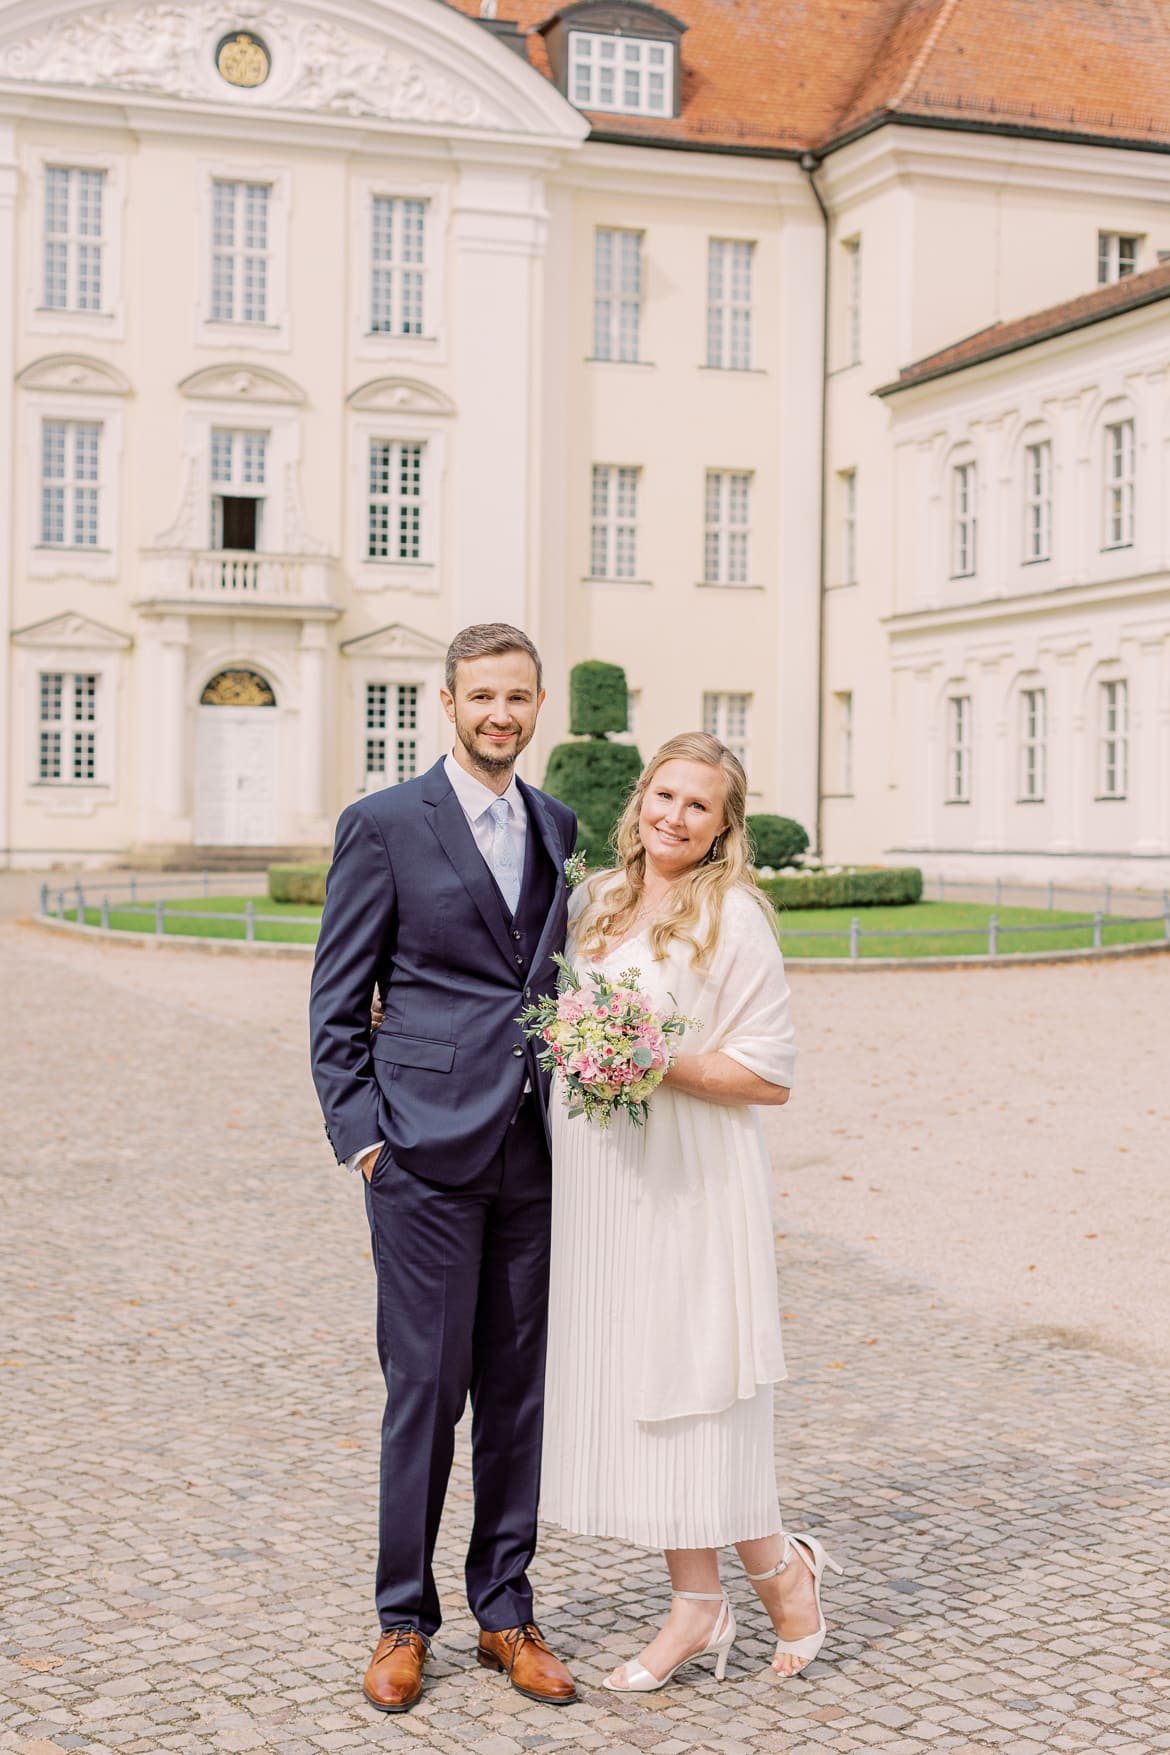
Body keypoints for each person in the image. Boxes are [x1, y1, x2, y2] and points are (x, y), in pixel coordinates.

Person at [309, 623, 579, 1714]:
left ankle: (504, 1610)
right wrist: (365, 1137)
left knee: (518, 1396)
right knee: (425, 1392)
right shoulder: (382, 826)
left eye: (518, 697)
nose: (501, 714)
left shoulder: (556, 823)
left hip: (535, 1151)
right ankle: (399, 1618)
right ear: (447, 700)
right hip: (420, 1154)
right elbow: (336, 1002)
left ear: (538, 703)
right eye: (483, 697)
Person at [541, 731, 841, 1691]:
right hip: (600, 1184)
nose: (675, 816)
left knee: (695, 1383)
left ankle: (753, 1589)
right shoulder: (596, 900)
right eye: (664, 795)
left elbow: (769, 1073)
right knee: (647, 1390)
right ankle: (720, 1596)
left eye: (698, 805)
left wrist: (649, 1058)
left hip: (688, 1181)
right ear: (640, 801)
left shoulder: (735, 918)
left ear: (723, 827)